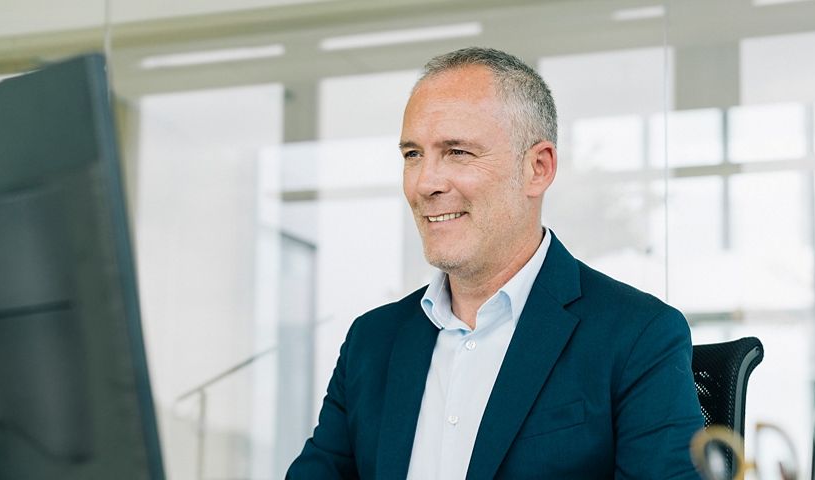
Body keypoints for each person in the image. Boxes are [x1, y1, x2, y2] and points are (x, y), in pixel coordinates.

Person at [286, 47, 704, 479]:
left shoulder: (637, 336)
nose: (425, 183)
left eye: (457, 152)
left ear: (537, 168)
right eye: (412, 155)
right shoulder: (372, 343)